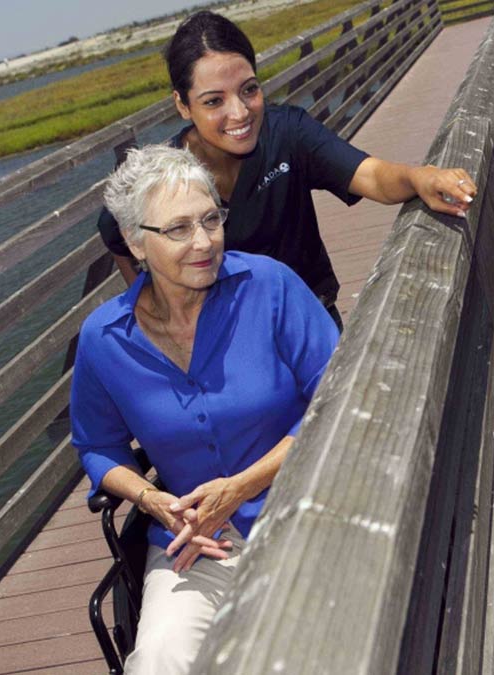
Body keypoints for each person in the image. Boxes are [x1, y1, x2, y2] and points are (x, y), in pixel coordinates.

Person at [71, 145, 339, 674]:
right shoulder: (103, 338)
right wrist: (152, 500)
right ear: (134, 241)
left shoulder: (271, 285)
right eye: (178, 229)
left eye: (211, 219)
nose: (204, 242)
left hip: (310, 510)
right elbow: (97, 446)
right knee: (157, 660)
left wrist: (238, 487)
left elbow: (340, 397)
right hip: (196, 541)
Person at [97, 10, 478, 328]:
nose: (240, 113)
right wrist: (154, 309)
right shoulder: (162, 178)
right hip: (226, 346)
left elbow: (372, 175)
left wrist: (419, 177)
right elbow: (114, 230)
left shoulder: (287, 133)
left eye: (249, 89)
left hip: (311, 318)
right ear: (182, 105)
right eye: (214, 101)